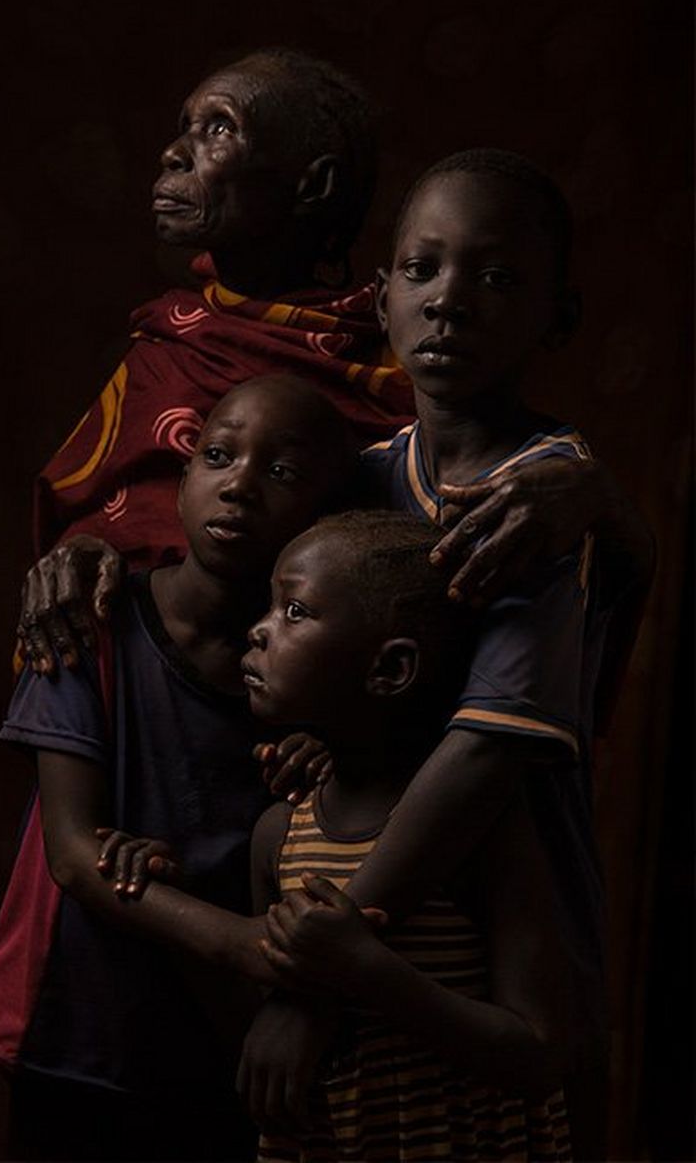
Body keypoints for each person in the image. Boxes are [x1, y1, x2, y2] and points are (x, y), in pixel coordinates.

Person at [238, 150, 654, 1163]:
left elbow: (482, 751)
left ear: (556, 317)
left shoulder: (536, 498)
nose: (449, 302)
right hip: (369, 918)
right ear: (378, 296)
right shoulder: (365, 479)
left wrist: (324, 976)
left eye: (497, 277)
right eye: (420, 269)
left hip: (506, 937)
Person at [18, 50, 620, 677]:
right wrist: (80, 555)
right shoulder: (166, 351)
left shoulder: (413, 367)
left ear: (315, 184)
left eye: (220, 128)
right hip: (139, 704)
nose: (174, 152)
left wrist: (604, 502)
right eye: (186, 126)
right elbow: (102, 530)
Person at [0, 376, 359, 1162]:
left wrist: (332, 760)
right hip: (76, 1030)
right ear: (181, 479)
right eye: (218, 455)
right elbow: (76, 855)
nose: (239, 484)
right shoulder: (87, 626)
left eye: (280, 473)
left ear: (325, 517)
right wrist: (246, 943)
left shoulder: (310, 675)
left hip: (220, 1044)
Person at [240, 509, 574, 1161]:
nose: (258, 629)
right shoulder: (278, 835)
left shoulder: (484, 826)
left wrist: (370, 972)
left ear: (389, 670)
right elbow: (275, 1037)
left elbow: (538, 1055)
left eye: (295, 612)